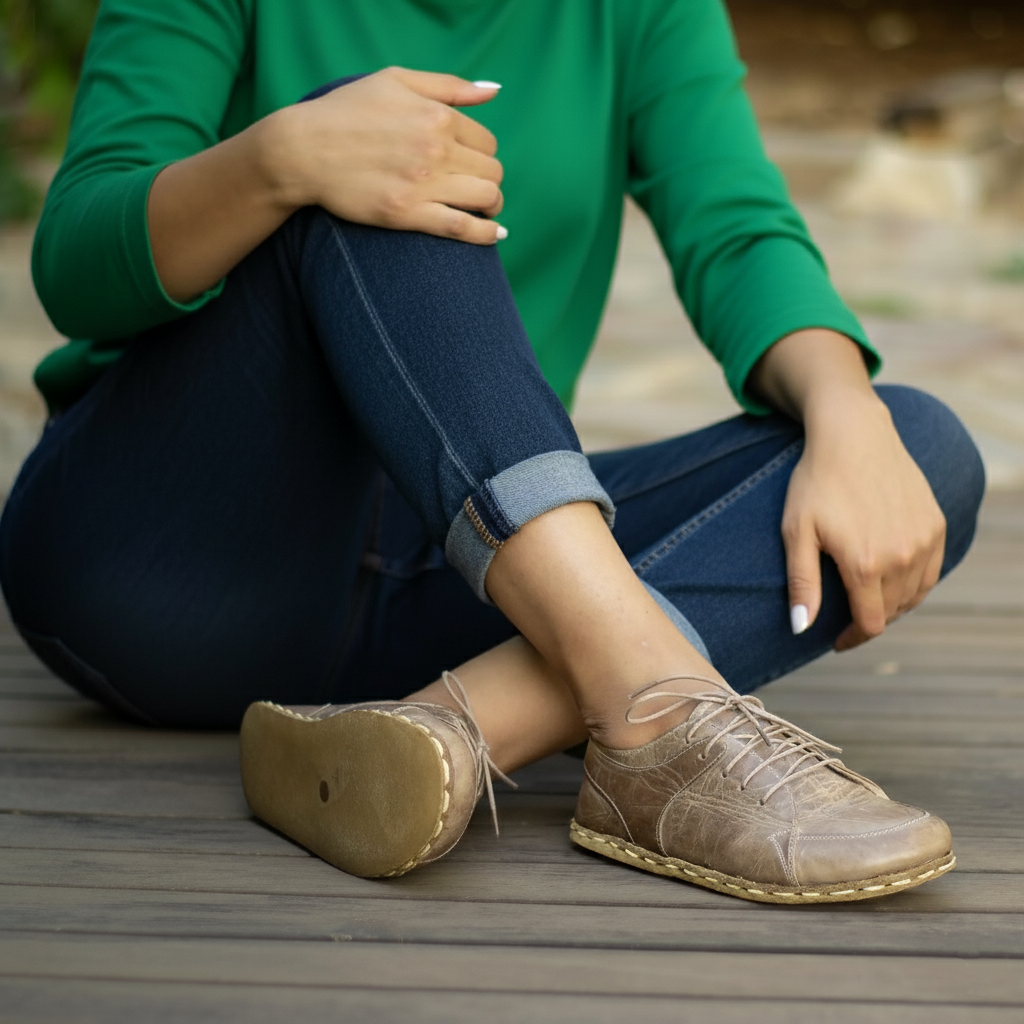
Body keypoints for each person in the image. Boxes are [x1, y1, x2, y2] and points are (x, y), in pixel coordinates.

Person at [0, 0, 984, 903]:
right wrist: (281, 161)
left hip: (459, 569)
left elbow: (734, 228)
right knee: (392, 146)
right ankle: (654, 709)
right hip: (174, 559)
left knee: (909, 449)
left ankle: (443, 733)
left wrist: (846, 411)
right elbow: (80, 263)